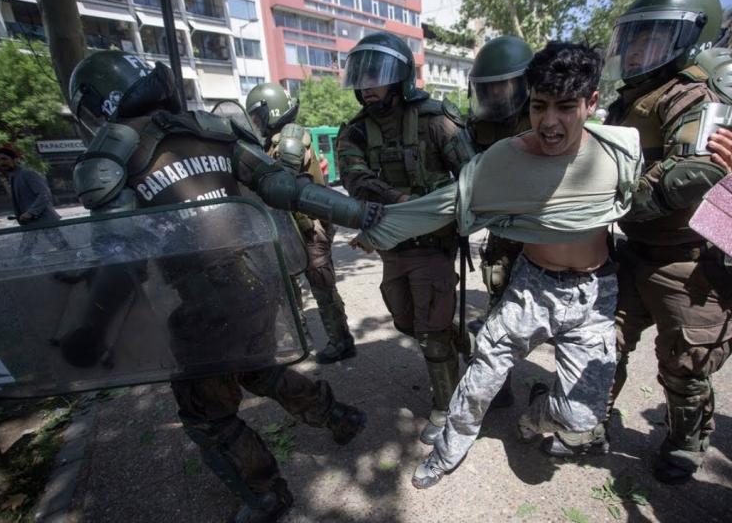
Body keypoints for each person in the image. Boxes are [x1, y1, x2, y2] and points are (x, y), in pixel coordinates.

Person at [68, 51, 382, 522]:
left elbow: (119, 259)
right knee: (258, 369)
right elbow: (283, 187)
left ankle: (266, 496)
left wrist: (90, 335)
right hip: (255, 282)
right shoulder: (207, 130)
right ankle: (337, 416)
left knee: (206, 416)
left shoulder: (115, 160)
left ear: (95, 107)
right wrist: (363, 215)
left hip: (202, 305)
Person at [353, 42, 643, 488]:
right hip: (531, 287)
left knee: (578, 416)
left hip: (594, 295)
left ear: (591, 104)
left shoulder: (620, 151)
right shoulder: (503, 159)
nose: (550, 122)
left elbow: (661, 197)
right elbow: (443, 204)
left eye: (566, 107)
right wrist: (376, 232)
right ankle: (448, 450)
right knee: (480, 380)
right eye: (540, 106)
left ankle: (537, 415)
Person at [601, 0, 732, 484]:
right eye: (631, 39)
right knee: (601, 341)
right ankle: (590, 414)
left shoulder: (698, 94)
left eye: (649, 38)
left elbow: (685, 178)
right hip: (635, 250)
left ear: (690, 35)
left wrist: (606, 202)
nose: (634, 52)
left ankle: (686, 440)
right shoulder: (631, 99)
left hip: (693, 261)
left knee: (685, 367)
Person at [337, 32, 473, 445]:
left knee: (430, 330)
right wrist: (397, 199)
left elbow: (471, 173)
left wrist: (443, 210)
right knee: (406, 319)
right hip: (392, 246)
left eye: (375, 76)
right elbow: (353, 177)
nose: (367, 86)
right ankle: (458, 343)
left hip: (433, 245)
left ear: (398, 77)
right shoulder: (356, 131)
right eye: (360, 77)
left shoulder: (435, 118)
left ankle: (446, 407)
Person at [246, 82, 356, 364]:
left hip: (307, 228)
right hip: (290, 229)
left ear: (273, 111)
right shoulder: (272, 143)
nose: (256, 123)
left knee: (321, 287)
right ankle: (302, 342)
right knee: (292, 289)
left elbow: (286, 188)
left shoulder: (288, 142)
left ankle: (340, 341)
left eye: (259, 116)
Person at [464, 35, 535, 409]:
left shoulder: (545, 113)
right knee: (497, 314)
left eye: (504, 86)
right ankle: (498, 386)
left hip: (549, 236)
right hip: (503, 234)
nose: (496, 95)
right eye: (488, 88)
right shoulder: (477, 124)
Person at [0, 145, 69, 254]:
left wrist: (31, 212)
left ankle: (83, 265)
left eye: (4, 159)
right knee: (25, 251)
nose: (1, 162)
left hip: (44, 219)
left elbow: (44, 194)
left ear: (15, 159)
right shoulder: (13, 177)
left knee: (62, 247)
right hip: (29, 222)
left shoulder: (27, 174)